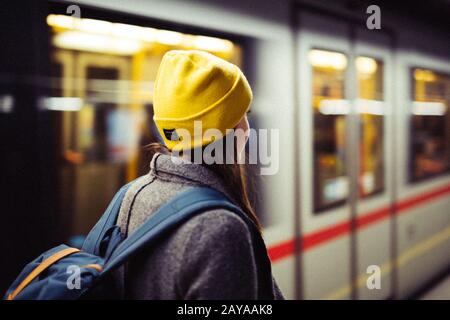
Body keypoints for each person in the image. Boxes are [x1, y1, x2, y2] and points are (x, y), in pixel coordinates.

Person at [113, 50, 284, 299]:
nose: (247, 129)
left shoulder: (132, 195)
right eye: (243, 116)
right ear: (229, 130)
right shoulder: (220, 228)